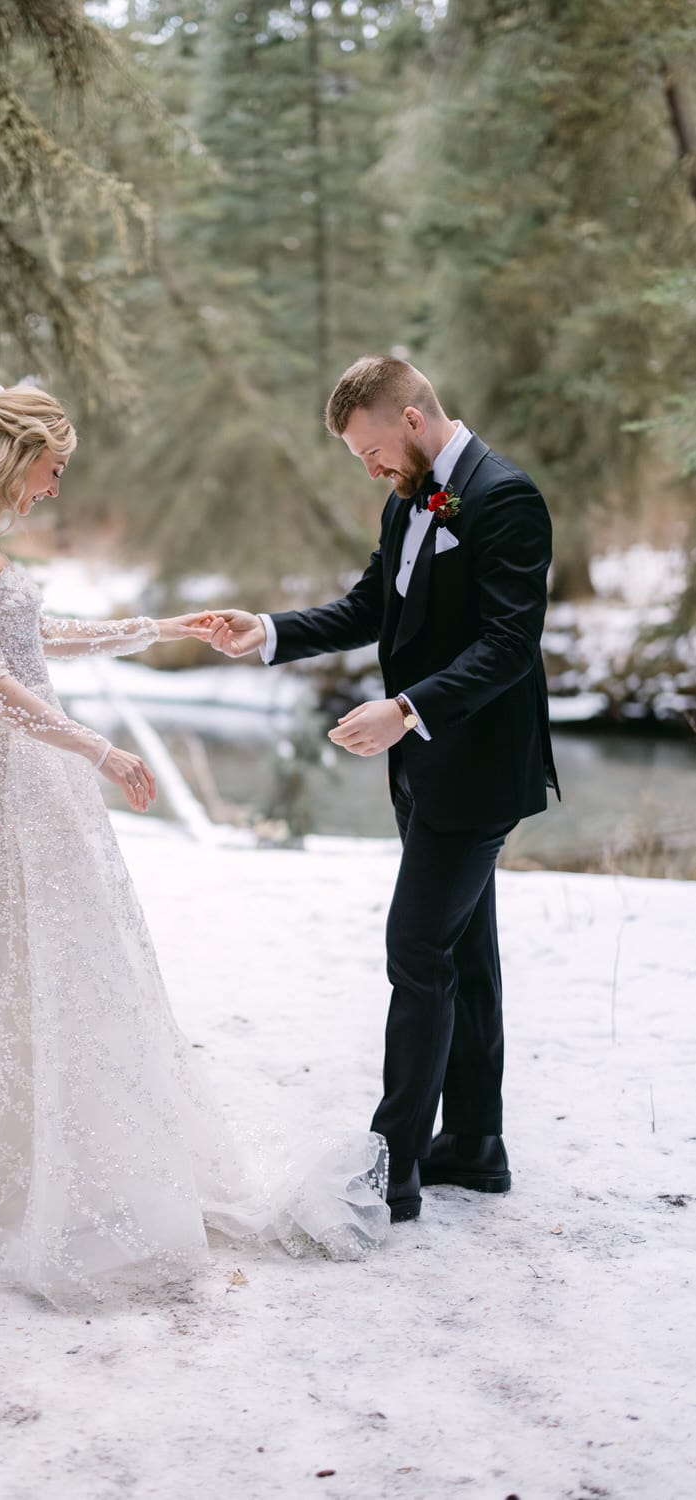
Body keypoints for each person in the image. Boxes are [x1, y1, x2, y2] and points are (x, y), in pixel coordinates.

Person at [0, 383, 389, 1310]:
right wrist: (98, 748)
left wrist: (159, 629)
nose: (56, 489)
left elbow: (42, 641)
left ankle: (78, 1163)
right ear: (12, 450)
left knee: (71, 966)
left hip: (37, 781)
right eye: (53, 468)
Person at [205, 355, 560, 1223]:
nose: (367, 469)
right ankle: (475, 1143)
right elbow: (373, 607)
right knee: (463, 952)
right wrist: (266, 632)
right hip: (427, 766)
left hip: (477, 766)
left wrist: (404, 709)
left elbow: (508, 645)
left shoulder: (504, 497)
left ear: (410, 417)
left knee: (416, 951)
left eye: (369, 450)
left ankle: (393, 1164)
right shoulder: (410, 497)